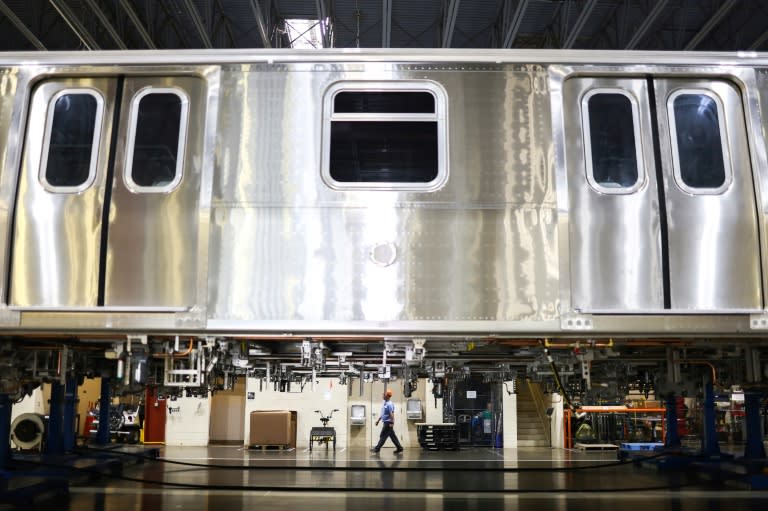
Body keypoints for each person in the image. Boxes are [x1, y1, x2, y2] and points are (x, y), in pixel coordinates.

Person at [372, 389, 403, 454]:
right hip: (386, 422)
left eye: (384, 394)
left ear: (387, 396)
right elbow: (383, 413)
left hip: (388, 423)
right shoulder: (385, 403)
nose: (383, 395)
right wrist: (378, 420)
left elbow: (391, 414)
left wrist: (392, 422)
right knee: (393, 436)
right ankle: (399, 448)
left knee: (383, 436)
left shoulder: (389, 404)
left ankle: (377, 448)